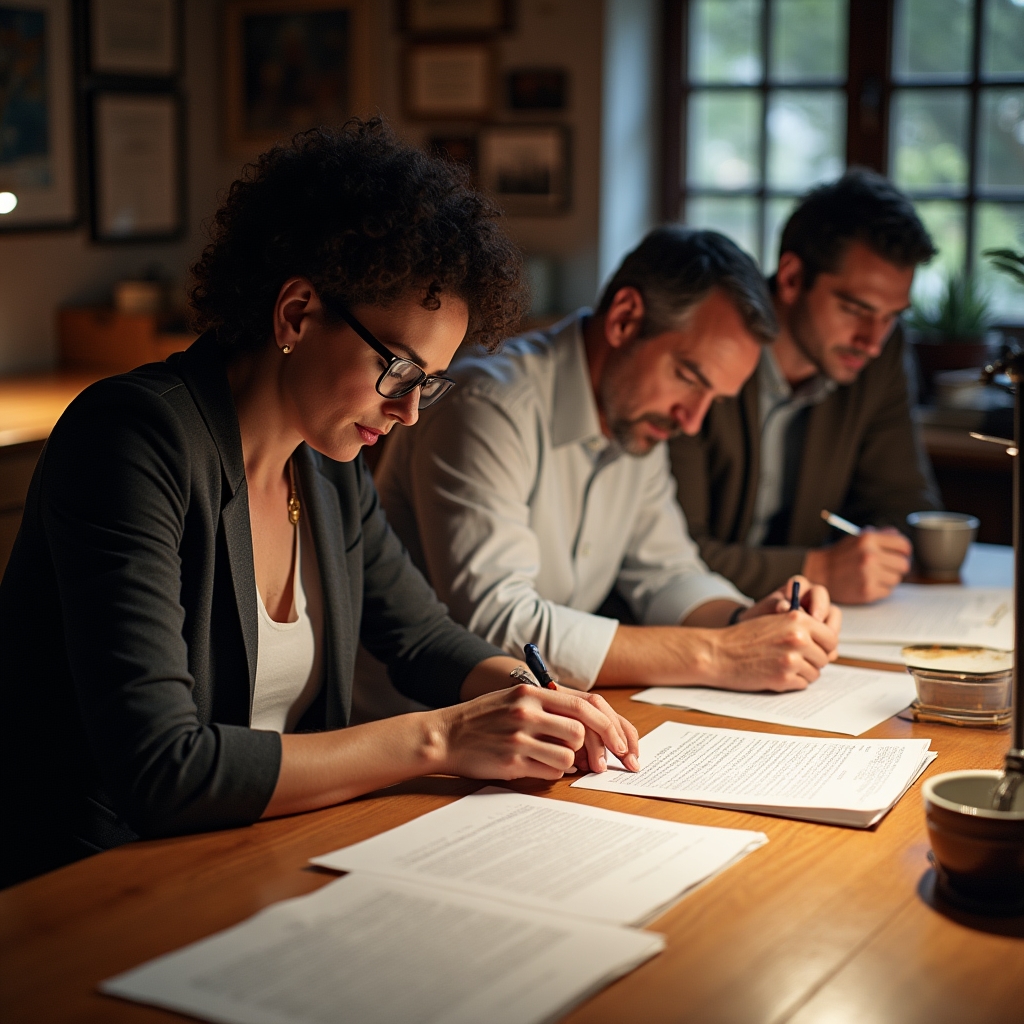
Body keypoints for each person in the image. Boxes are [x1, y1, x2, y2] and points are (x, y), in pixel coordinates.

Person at [0, 121, 639, 889]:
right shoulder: (132, 440)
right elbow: (164, 768)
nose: (407, 412)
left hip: (252, 858)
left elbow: (421, 636)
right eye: (399, 369)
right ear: (297, 313)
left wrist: (525, 692)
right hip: (90, 886)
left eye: (427, 383)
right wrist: (440, 739)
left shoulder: (325, 463)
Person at [366, 227, 841, 721]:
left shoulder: (638, 415)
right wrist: (721, 654)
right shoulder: (488, 404)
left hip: (540, 726)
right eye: (689, 378)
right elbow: (497, 622)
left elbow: (666, 572)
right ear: (625, 319)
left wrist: (746, 619)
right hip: (411, 729)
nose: (692, 420)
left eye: (713, 399)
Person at [669, 170, 942, 604]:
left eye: (891, 317)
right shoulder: (706, 350)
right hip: (693, 617)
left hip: (816, 623)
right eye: (855, 309)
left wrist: (881, 554)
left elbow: (905, 503)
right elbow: (666, 553)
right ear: (793, 278)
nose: (872, 340)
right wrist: (819, 570)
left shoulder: (876, 356)